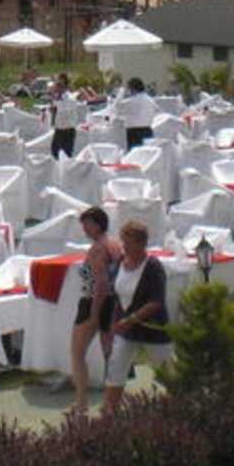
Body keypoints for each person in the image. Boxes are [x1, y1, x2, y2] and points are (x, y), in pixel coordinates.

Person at [101, 221, 171, 415]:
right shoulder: (119, 263)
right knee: (115, 371)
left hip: (153, 329)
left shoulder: (153, 267)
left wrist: (131, 319)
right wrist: (112, 324)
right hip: (126, 331)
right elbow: (115, 295)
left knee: (168, 375)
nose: (124, 246)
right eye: (123, 241)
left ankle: (180, 409)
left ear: (141, 243)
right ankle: (109, 415)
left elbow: (156, 302)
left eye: (128, 242)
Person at [66, 206, 116, 417]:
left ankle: (81, 403)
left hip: (93, 302)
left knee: (77, 353)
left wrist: (93, 314)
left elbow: (100, 284)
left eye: (87, 224)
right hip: (112, 302)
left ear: (97, 225)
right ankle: (112, 403)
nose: (84, 229)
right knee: (110, 355)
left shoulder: (98, 249)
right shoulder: (113, 244)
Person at [51, 75, 83, 160]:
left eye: (58, 85)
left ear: (64, 87)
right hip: (59, 130)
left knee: (66, 156)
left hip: (67, 131)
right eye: (56, 85)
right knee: (55, 153)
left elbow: (65, 112)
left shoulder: (70, 98)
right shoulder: (58, 98)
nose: (56, 88)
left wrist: (56, 105)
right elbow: (56, 111)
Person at [120, 77, 156, 151]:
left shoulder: (131, 101)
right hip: (148, 131)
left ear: (132, 88)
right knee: (148, 154)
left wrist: (121, 93)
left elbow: (117, 107)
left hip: (134, 133)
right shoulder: (151, 100)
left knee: (135, 155)